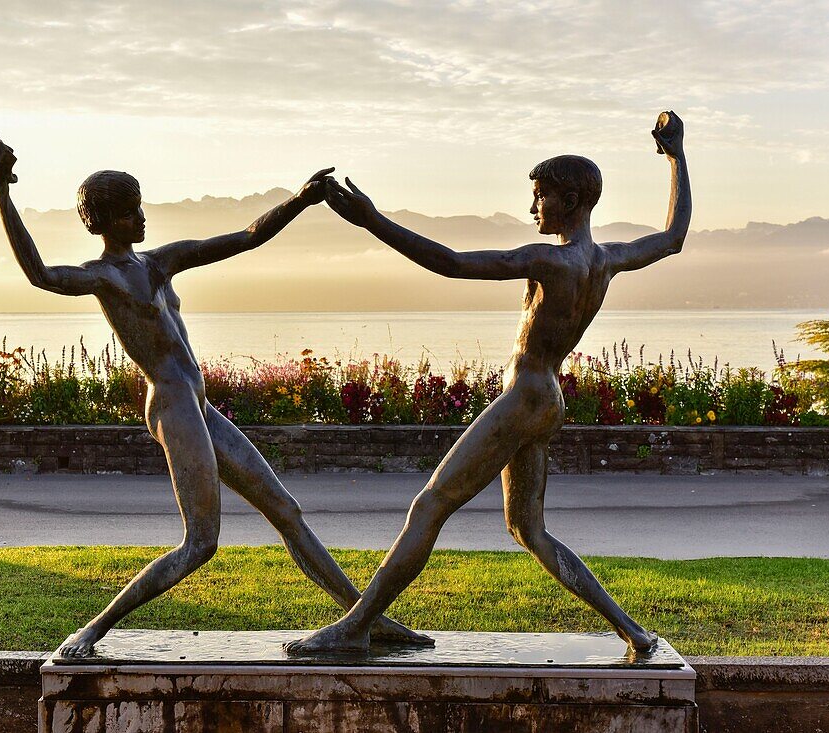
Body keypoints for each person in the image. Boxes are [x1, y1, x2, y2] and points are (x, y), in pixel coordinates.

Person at [0, 136, 428, 657]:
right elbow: (40, 275)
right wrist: (1, 192)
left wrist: (300, 200)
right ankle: (88, 633)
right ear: (107, 222)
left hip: (198, 404)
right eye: (131, 212)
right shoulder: (102, 277)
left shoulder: (159, 263)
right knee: (201, 544)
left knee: (286, 510)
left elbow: (244, 237)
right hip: (172, 407)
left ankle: (364, 619)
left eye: (141, 206)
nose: (142, 218)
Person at [287, 111, 690, 654]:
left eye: (540, 196)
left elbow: (451, 263)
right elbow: (673, 236)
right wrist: (676, 157)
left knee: (430, 507)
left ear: (570, 201)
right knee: (530, 532)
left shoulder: (553, 260)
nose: (532, 208)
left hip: (525, 399)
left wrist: (372, 221)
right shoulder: (606, 259)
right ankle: (634, 631)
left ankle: (355, 626)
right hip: (547, 399)